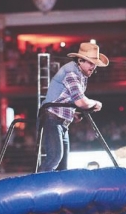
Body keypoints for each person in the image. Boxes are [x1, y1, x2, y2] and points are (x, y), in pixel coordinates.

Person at [37, 42, 108, 172]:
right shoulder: (71, 74)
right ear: (80, 60)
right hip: (52, 119)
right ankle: (36, 187)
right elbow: (81, 102)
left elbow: (66, 99)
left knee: (62, 166)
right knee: (54, 159)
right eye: (90, 63)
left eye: (94, 64)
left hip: (60, 122)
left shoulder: (81, 74)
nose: (93, 67)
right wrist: (96, 103)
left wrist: (72, 113)